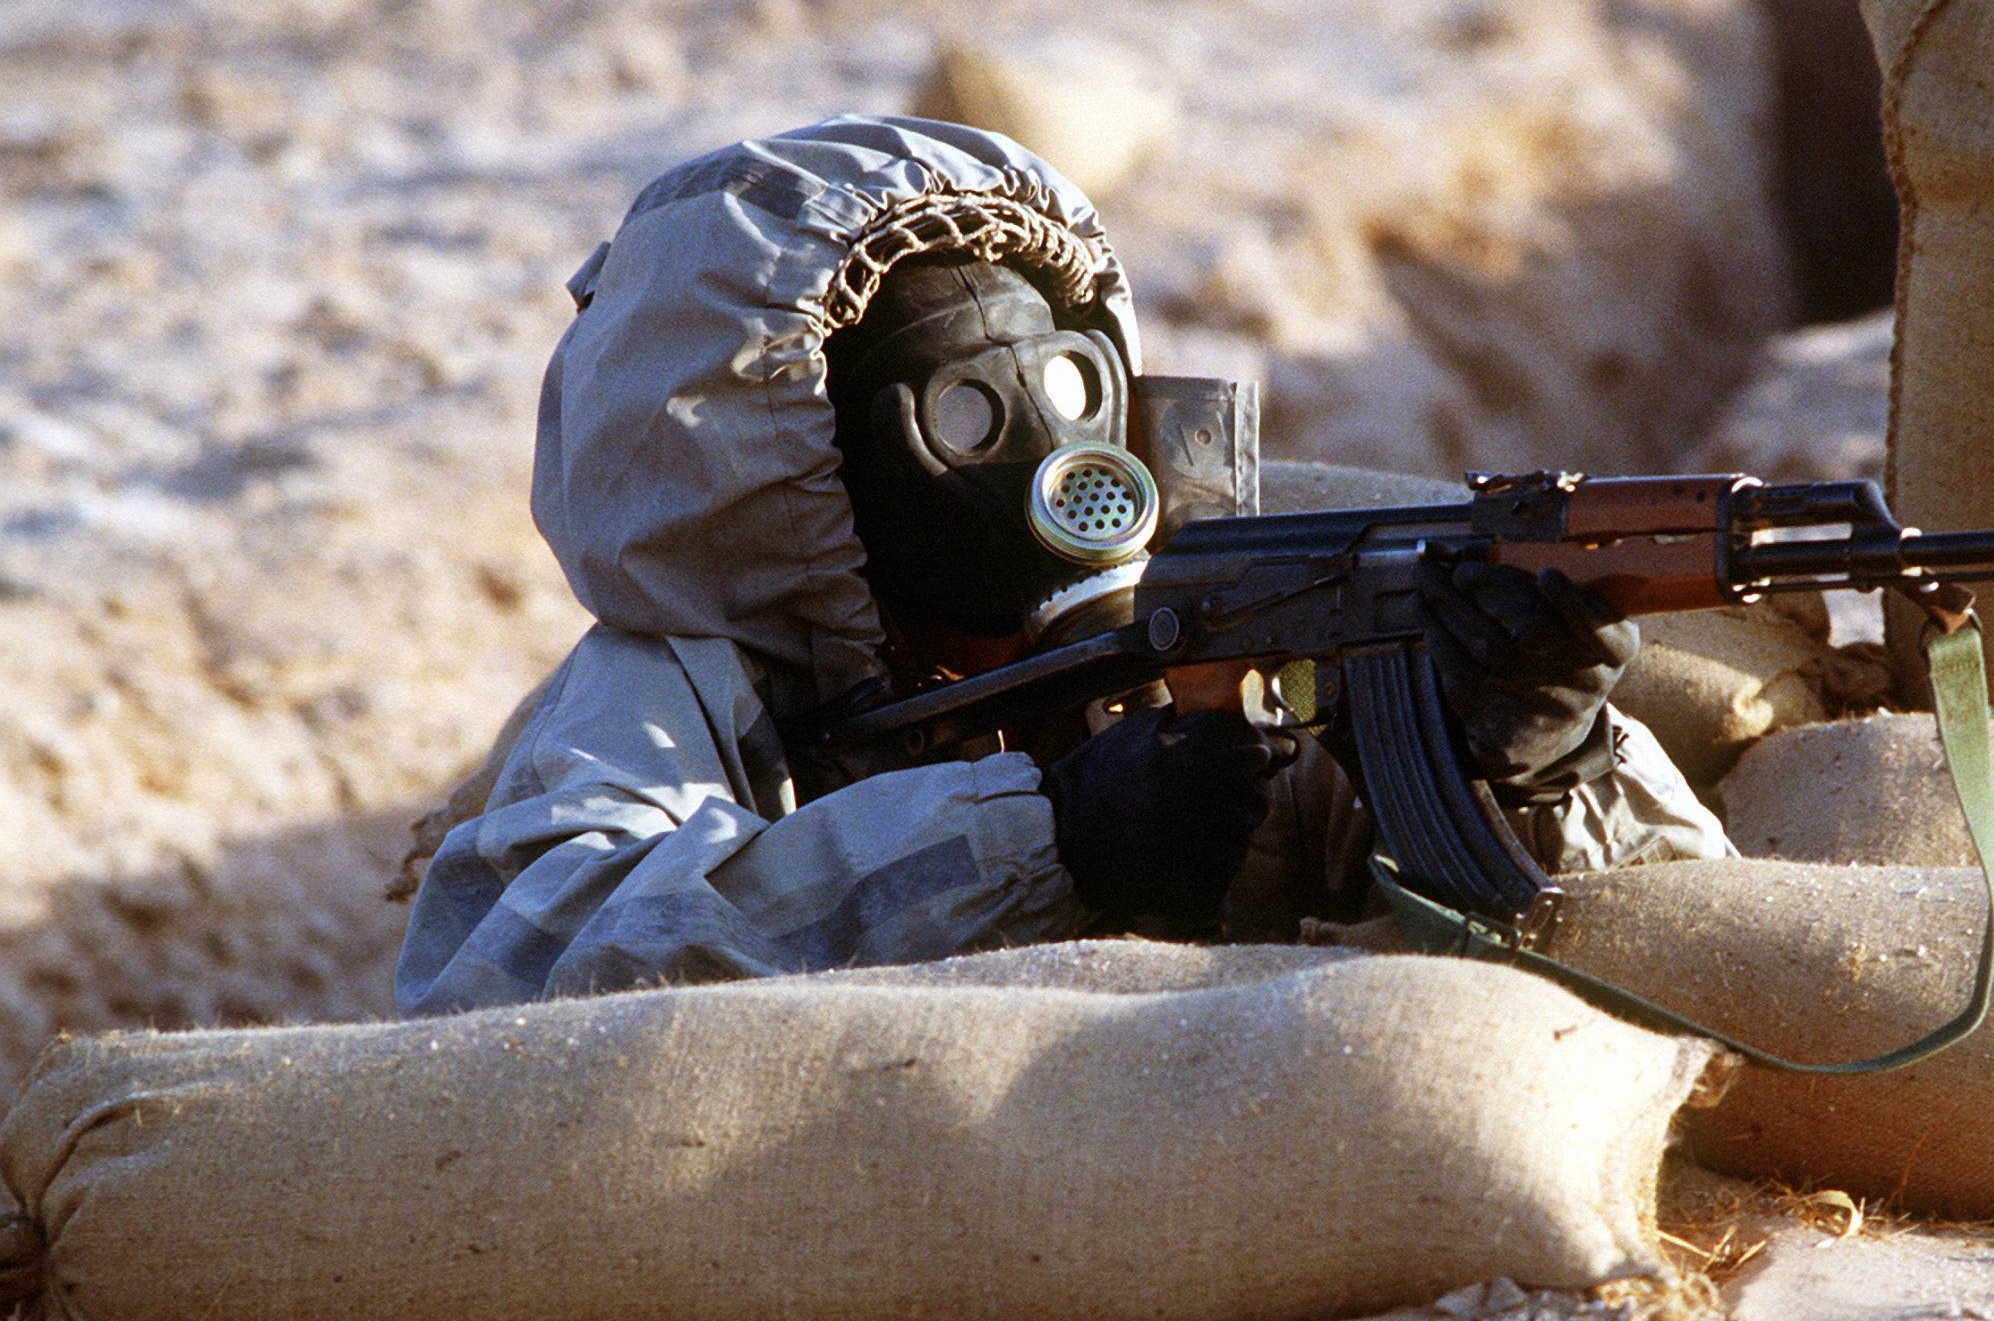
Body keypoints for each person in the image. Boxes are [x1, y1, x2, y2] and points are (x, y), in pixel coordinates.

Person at [395, 116, 1728, 1016]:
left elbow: (1670, 942)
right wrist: (1043, 831)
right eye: (962, 413)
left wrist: (1534, 760)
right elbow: (515, 974)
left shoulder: (1244, 595)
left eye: (1074, 382)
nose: (1051, 448)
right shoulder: (679, 682)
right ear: (795, 462)